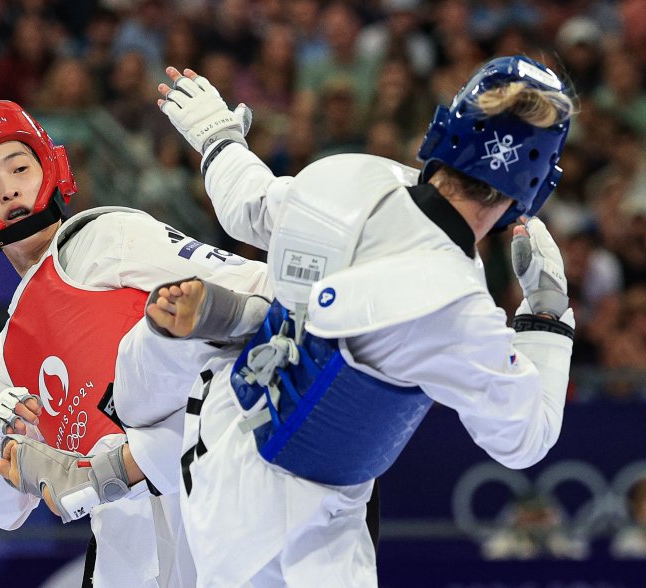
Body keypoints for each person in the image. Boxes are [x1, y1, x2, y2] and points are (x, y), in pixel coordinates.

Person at [150, 55, 576, 586]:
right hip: (295, 533)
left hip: (215, 446)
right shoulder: (459, 310)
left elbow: (247, 208)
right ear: (535, 188)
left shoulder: (349, 176)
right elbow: (524, 439)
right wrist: (547, 314)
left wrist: (217, 135)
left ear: (448, 125)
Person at [0, 99, 270, 587]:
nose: (7, 188)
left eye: (20, 168)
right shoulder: (6, 357)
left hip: (214, 515)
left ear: (51, 169)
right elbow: (0, 514)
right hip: (126, 560)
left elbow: (256, 291)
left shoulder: (104, 236)